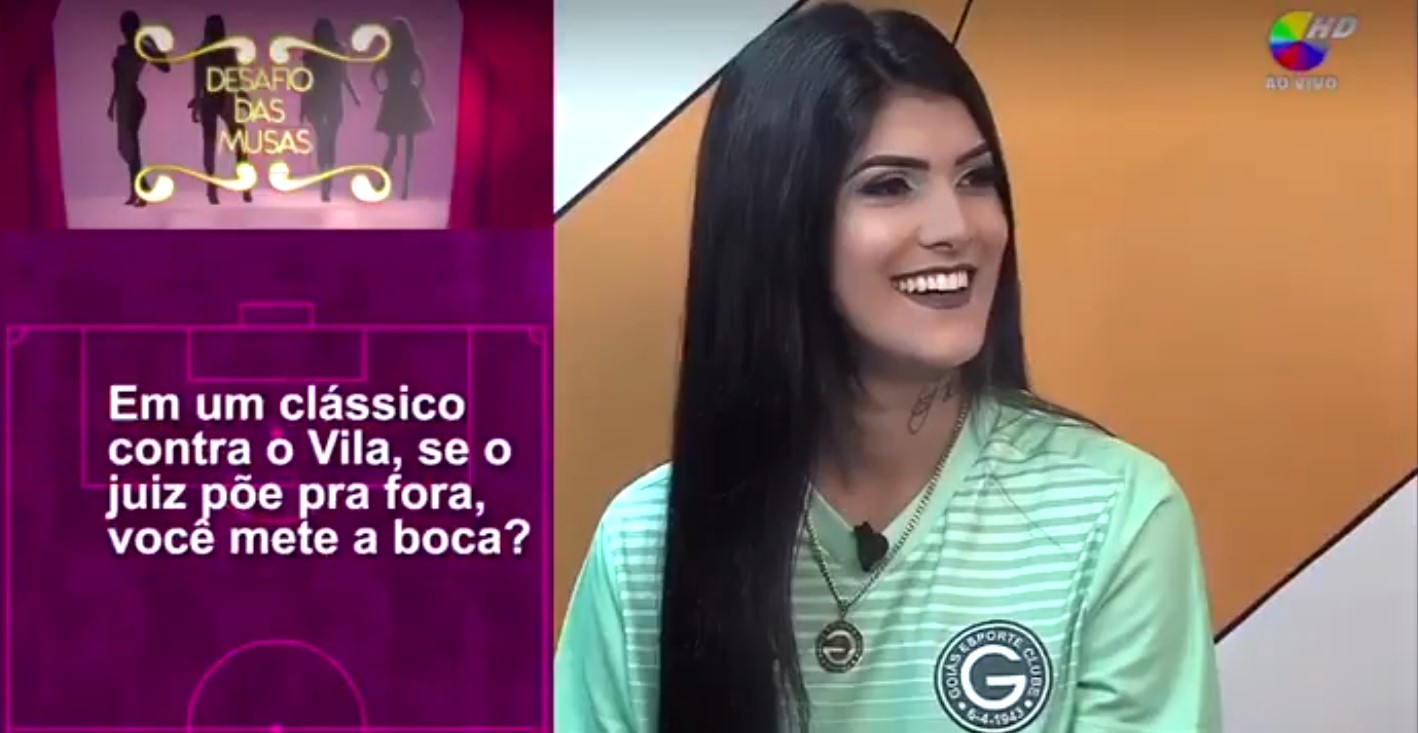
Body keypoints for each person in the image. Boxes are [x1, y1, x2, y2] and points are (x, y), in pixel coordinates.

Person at [554, 4, 1222, 732]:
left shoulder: (1112, 512)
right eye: (889, 185)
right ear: (776, 222)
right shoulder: (646, 545)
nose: (957, 228)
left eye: (975, 178)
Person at [108, 10, 171, 207]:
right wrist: (112, 103)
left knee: (133, 148)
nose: (126, 31)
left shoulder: (140, 48)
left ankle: (141, 192)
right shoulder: (122, 50)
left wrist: (152, 46)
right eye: (124, 27)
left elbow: (165, 66)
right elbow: (118, 80)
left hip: (134, 101)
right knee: (128, 148)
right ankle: (139, 190)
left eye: (129, 27)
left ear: (135, 28)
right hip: (124, 101)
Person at [188, 14, 252, 205]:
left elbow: (233, 75)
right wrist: (197, 101)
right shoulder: (207, 51)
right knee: (216, 143)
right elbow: (200, 79)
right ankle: (215, 187)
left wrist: (241, 94)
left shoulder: (218, 50)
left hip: (223, 98)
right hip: (215, 98)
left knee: (234, 140)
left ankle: (237, 185)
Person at [370, 17, 434, 201]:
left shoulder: (388, 55)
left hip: (394, 97)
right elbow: (424, 76)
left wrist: (381, 90)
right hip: (407, 96)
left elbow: (373, 76)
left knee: (393, 146)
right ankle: (405, 185)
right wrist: (417, 89)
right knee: (409, 145)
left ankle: (382, 182)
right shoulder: (411, 54)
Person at [300, 18, 362, 202]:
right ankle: (327, 182)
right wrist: (354, 96)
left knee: (324, 139)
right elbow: (343, 77)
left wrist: (303, 107)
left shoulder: (313, 52)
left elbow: (306, 81)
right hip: (329, 100)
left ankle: (325, 182)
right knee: (328, 140)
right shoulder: (334, 50)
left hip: (321, 101)